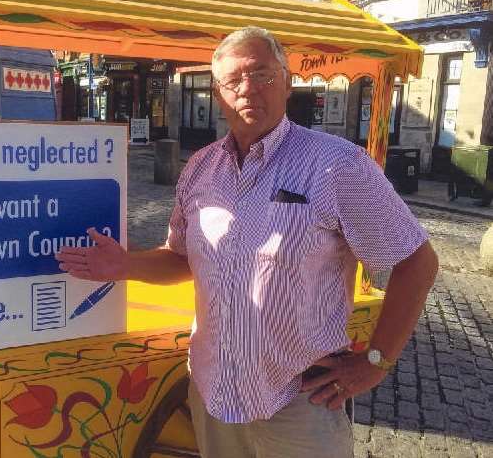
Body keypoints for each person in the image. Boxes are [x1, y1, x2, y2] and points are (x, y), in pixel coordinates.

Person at [56, 26, 438, 458]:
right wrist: (126, 266)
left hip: (299, 399)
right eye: (233, 81)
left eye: (262, 75)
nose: (248, 89)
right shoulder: (201, 169)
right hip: (213, 392)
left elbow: (417, 263)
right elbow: (183, 258)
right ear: (217, 94)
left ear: (287, 81)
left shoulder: (337, 165)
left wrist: (375, 361)